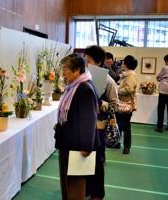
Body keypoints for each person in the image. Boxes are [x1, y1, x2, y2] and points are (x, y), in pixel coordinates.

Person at [53, 53, 100, 200]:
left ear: (77, 70)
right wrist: (61, 124)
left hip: (78, 146)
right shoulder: (74, 86)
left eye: (66, 69)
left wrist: (86, 147)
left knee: (75, 184)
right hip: (68, 141)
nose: (63, 73)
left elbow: (89, 120)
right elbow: (72, 113)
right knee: (67, 181)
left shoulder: (84, 88)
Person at [84, 45, 118, 200]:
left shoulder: (109, 81)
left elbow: (114, 106)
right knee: (83, 158)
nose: (85, 64)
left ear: (98, 62)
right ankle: (85, 189)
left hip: (99, 127)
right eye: (85, 60)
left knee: (97, 161)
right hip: (84, 126)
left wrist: (101, 104)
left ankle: (98, 194)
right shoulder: (84, 78)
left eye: (88, 61)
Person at [116, 55, 138, 154]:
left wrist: (117, 90)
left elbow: (129, 89)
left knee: (125, 127)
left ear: (126, 64)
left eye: (124, 62)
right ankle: (117, 142)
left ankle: (127, 146)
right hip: (121, 103)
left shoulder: (131, 75)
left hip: (126, 103)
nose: (122, 63)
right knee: (120, 125)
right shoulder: (126, 74)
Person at [155, 55, 168, 132]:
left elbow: (158, 77)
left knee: (161, 109)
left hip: (164, 89)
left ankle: (160, 127)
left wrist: (160, 79)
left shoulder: (165, 68)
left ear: (166, 60)